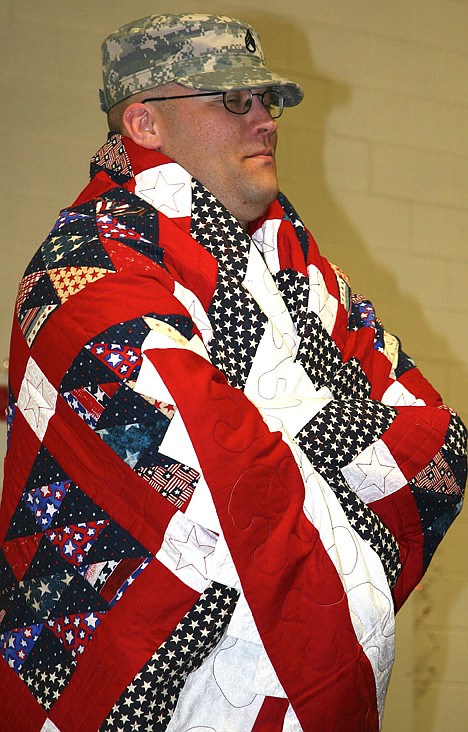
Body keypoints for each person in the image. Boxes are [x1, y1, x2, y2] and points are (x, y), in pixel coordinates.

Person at [0, 13, 465, 732]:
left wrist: (284, 439)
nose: (265, 122)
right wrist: (322, 441)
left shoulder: (300, 271)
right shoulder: (78, 276)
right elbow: (221, 485)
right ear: (144, 124)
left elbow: (435, 445)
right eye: (232, 100)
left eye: (266, 101)